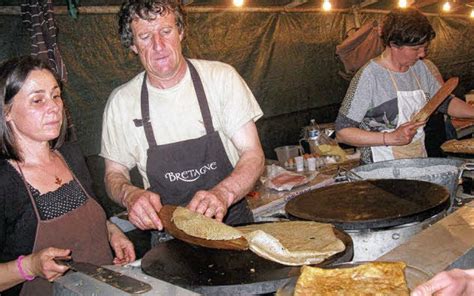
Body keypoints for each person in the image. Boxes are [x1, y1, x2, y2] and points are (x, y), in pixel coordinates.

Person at [100, 0, 264, 236]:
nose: (159, 45)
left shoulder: (220, 79)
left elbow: (253, 153)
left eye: (166, 31)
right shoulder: (121, 102)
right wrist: (129, 194)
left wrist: (223, 193)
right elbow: (113, 173)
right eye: (145, 36)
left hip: (233, 225)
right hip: (170, 236)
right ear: (133, 45)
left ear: (181, 31)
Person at [0, 56, 136, 295]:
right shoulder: (5, 181)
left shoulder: (70, 156)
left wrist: (112, 232)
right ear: (7, 111)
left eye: (55, 95)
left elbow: (89, 216)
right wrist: (30, 266)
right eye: (37, 100)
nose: (54, 106)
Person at [335, 8, 474, 164]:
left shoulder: (420, 68)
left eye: (424, 48)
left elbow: (443, 102)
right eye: (415, 49)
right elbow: (343, 132)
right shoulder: (369, 76)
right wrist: (390, 138)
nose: (422, 54)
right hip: (381, 169)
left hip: (417, 160)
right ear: (394, 44)